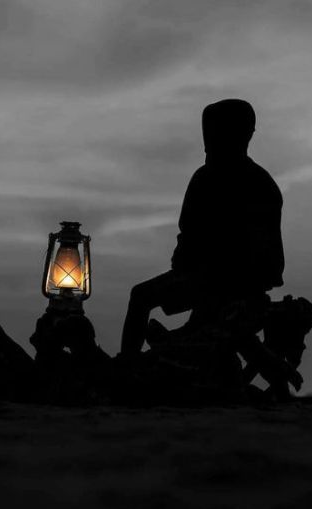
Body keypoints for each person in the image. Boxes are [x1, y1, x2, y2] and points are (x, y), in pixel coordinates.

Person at [120, 99, 285, 358]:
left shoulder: (226, 180)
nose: (207, 140)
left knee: (140, 296)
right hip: (220, 277)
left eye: (214, 130)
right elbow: (188, 233)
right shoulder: (249, 181)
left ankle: (127, 364)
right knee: (144, 296)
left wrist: (195, 265)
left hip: (221, 280)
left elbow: (196, 240)